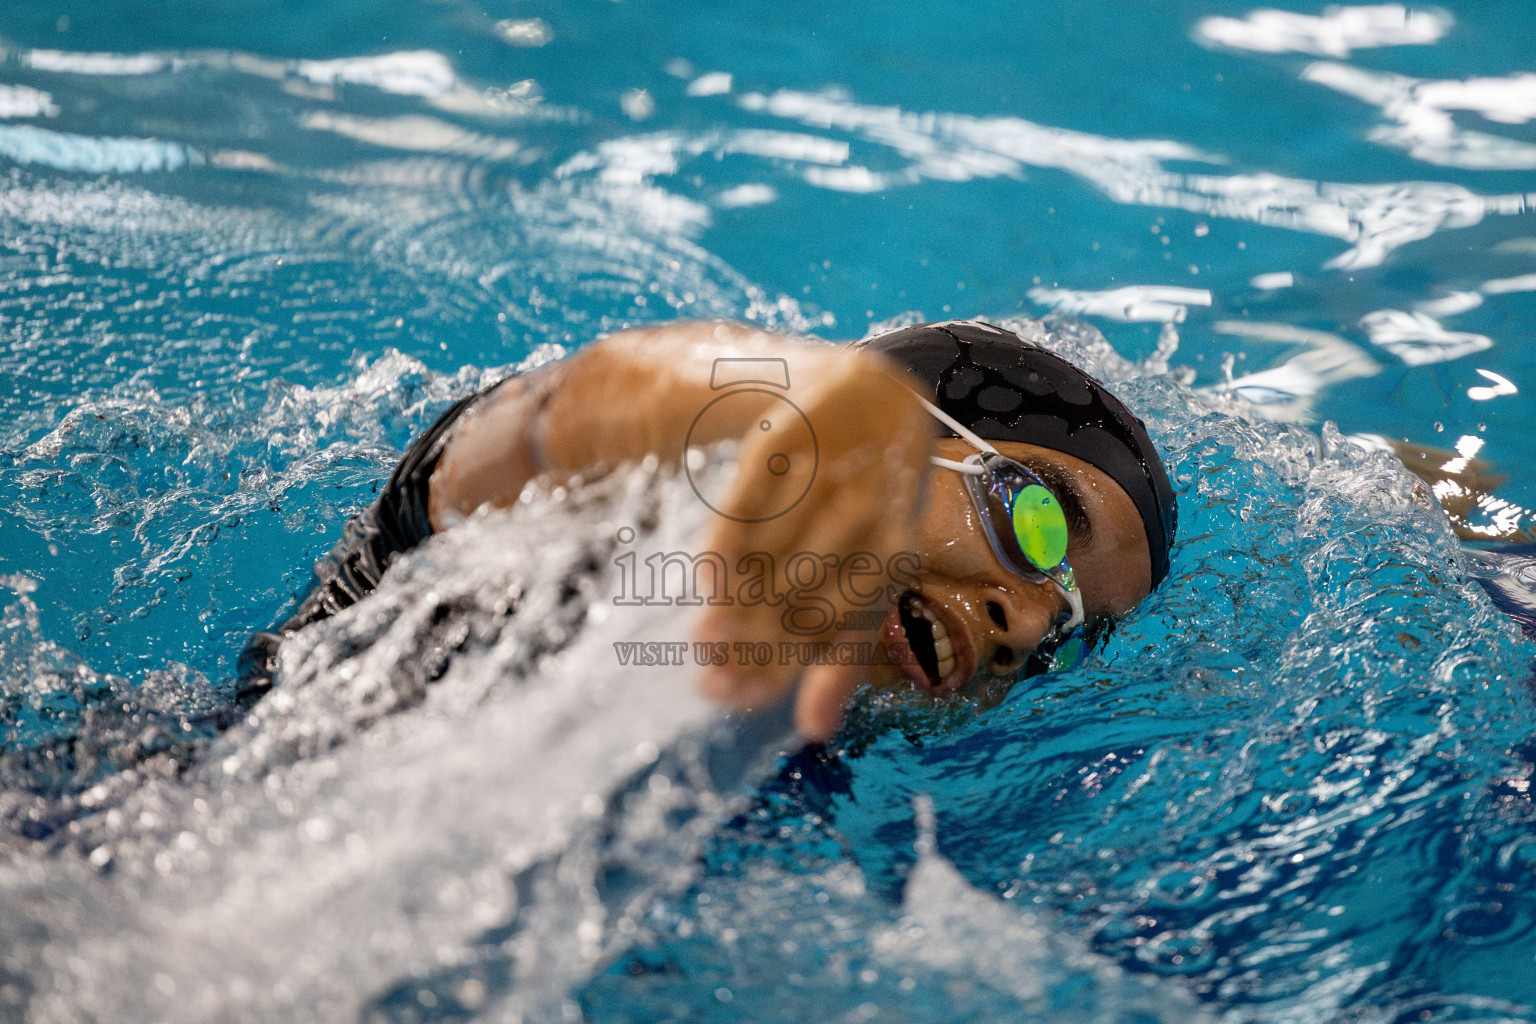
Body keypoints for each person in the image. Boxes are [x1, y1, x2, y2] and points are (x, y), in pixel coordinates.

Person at [240, 318, 1178, 740]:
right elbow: (551, 421)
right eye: (1042, 526)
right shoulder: (571, 545)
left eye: (1067, 629)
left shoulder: (802, 779)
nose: (1024, 625)